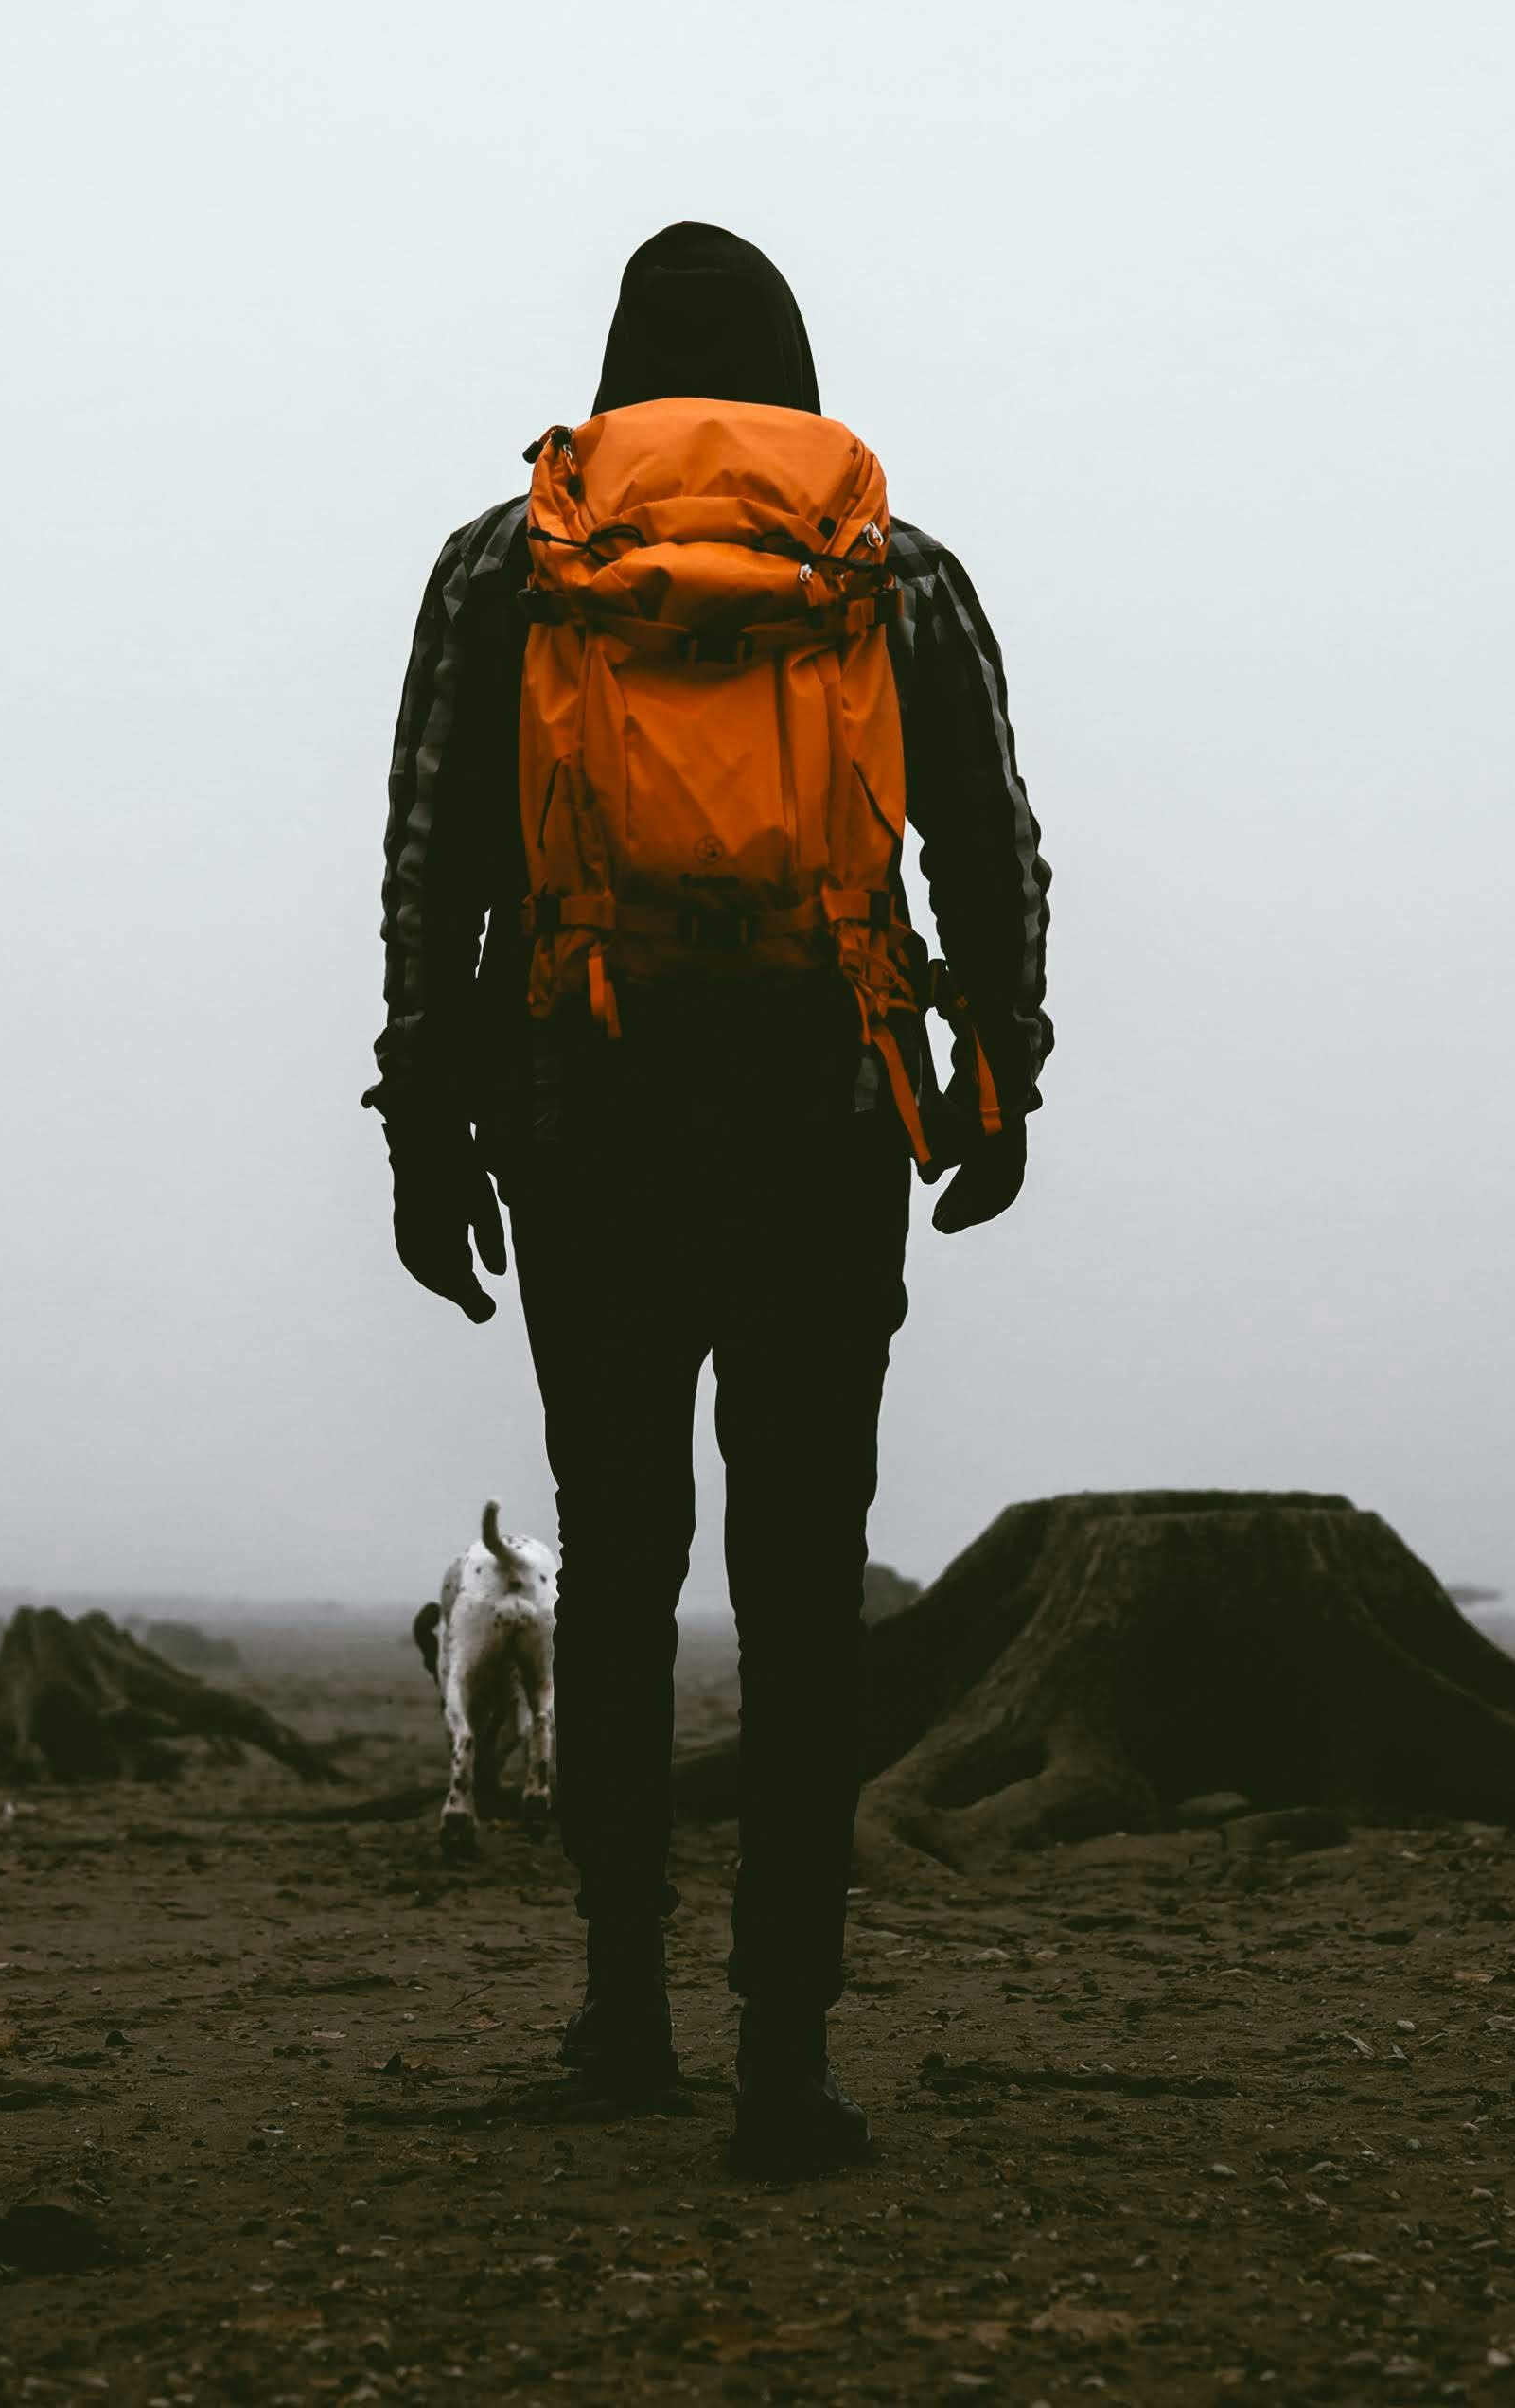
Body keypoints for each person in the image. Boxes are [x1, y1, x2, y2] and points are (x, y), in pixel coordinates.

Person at [367, 221, 1052, 2175]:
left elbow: (428, 862)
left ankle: (617, 2012)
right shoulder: (887, 567)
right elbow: (992, 840)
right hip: (826, 1116)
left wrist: (425, 1127)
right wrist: (998, 1074)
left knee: (622, 1554)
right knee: (803, 1583)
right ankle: (789, 2061)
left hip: (580, 1113)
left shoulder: (513, 563)